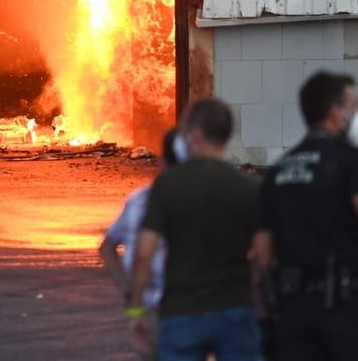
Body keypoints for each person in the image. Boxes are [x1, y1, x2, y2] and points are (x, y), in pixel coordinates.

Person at [251, 71, 358, 361]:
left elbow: (261, 255)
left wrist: (265, 315)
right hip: (346, 313)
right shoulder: (350, 160)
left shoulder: (279, 171)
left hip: (292, 314)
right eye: (354, 107)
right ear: (336, 111)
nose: (357, 115)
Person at [128, 98, 261, 361]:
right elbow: (264, 255)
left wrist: (135, 311)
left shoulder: (167, 185)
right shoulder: (249, 187)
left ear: (196, 134)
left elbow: (143, 254)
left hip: (182, 313)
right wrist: (256, 303)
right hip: (236, 310)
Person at [99, 129, 184, 359]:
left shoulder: (141, 200)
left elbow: (110, 247)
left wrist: (131, 298)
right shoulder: (215, 200)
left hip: (155, 311)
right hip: (204, 309)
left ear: (162, 160)